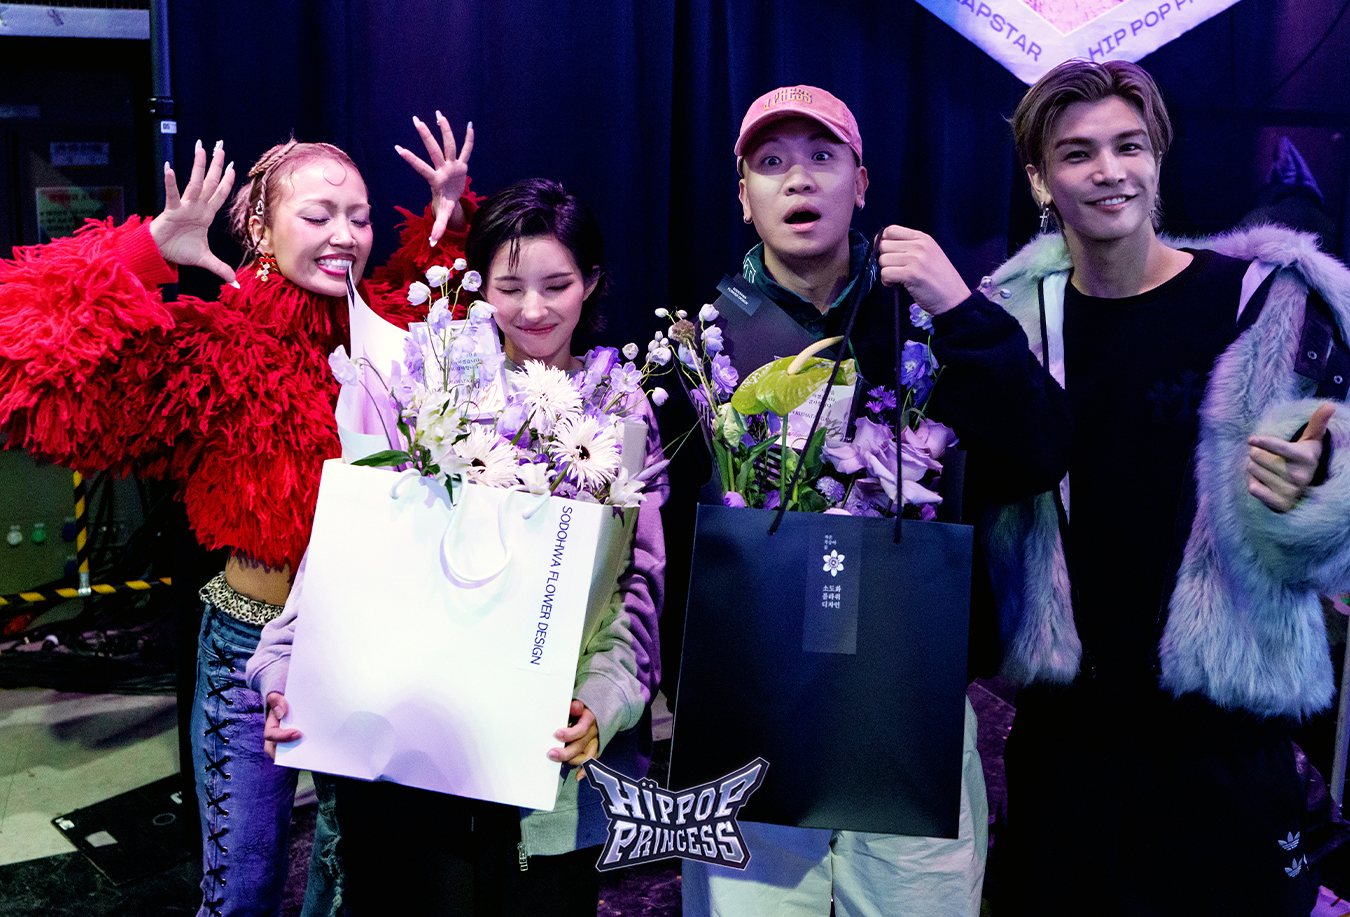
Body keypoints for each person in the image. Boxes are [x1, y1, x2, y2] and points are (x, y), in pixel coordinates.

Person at [878, 58, 1350, 915]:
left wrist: (1321, 493)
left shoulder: (1266, 305)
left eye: (1129, 146)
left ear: (1158, 158)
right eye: (1078, 152)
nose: (1109, 171)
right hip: (1069, 746)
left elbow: (1337, 514)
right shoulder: (1012, 322)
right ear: (1040, 180)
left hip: (1225, 748)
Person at [0, 119, 474, 917]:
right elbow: (25, 355)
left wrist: (449, 218)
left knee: (352, 879)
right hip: (248, 643)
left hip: (370, 646)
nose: (346, 235)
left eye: (360, 217)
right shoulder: (214, 345)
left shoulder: (395, 327)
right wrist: (147, 250)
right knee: (242, 891)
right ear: (260, 227)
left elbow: (463, 302)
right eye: (318, 214)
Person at [249, 177, 668, 916]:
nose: (533, 309)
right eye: (509, 287)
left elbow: (638, 579)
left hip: (546, 761)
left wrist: (603, 703)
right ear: (477, 287)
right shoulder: (431, 382)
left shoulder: (620, 407)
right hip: (416, 753)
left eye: (557, 285)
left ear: (592, 282)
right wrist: (288, 667)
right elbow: (354, 538)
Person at [680, 85, 989, 917]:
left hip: (906, 709)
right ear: (743, 198)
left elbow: (1038, 450)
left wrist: (962, 311)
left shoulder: (925, 316)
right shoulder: (705, 344)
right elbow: (674, 548)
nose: (799, 180)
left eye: (823, 157)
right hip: (756, 718)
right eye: (771, 163)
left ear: (862, 182)